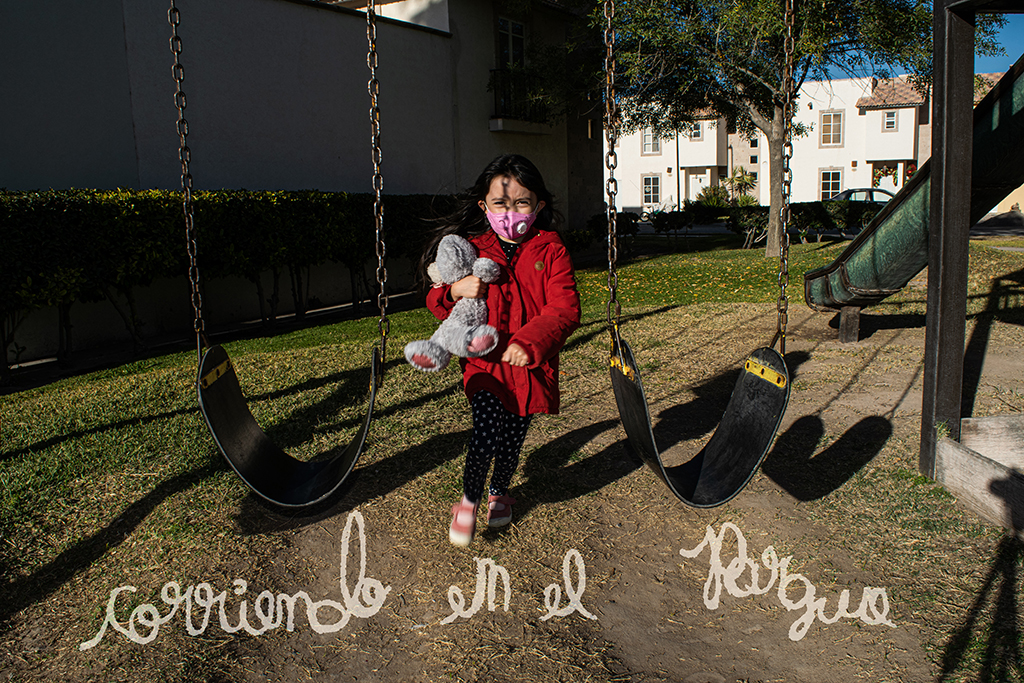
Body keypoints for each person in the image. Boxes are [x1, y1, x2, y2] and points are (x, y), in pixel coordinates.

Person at [419, 154, 581, 546]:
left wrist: (531, 342)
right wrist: (453, 291)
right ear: (484, 206)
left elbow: (564, 309)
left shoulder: (551, 250)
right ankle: (469, 500)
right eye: (500, 203)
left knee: (512, 438)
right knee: (486, 430)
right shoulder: (472, 248)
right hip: (485, 363)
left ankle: (499, 492)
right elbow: (438, 298)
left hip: (529, 366)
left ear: (538, 205)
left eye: (522, 203)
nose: (511, 213)